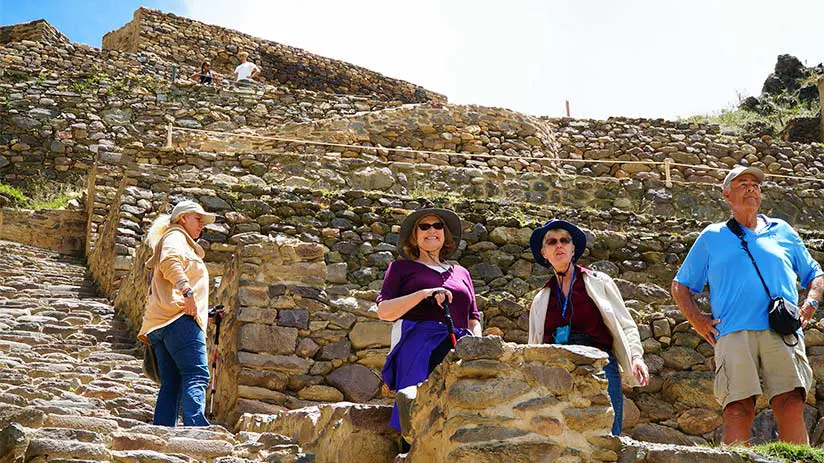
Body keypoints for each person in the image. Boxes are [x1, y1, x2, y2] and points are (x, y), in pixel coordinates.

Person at [672, 165, 823, 445]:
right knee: (738, 407)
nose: (751, 188)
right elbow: (680, 286)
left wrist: (810, 304)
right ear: (726, 194)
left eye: (755, 184)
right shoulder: (712, 236)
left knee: (791, 401)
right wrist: (697, 319)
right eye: (742, 183)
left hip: (782, 329)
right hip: (733, 330)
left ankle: (799, 457)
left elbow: (815, 275)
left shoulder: (783, 230)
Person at [527, 219, 649, 435]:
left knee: (606, 437)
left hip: (600, 366)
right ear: (544, 252)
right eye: (552, 242)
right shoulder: (541, 298)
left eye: (565, 240)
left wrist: (636, 357)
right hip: (556, 371)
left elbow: (625, 323)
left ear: (573, 248)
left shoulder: (598, 282)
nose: (559, 245)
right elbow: (534, 344)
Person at [379, 208, 482, 450]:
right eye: (423, 227)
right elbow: (384, 311)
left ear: (445, 235)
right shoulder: (401, 269)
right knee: (418, 412)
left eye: (437, 226)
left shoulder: (461, 273)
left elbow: (472, 317)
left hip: (460, 344)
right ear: (414, 237)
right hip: (419, 345)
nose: (431, 230)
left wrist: (477, 346)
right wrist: (424, 294)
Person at [137, 200, 216, 426]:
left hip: (161, 322)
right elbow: (170, 262)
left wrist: (203, 311)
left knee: (171, 382)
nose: (202, 225)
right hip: (178, 319)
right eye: (198, 219)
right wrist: (188, 293)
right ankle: (196, 430)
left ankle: (162, 431)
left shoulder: (175, 239)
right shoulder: (176, 237)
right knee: (197, 374)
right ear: (183, 218)